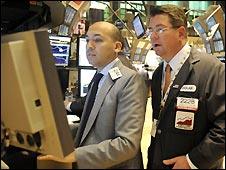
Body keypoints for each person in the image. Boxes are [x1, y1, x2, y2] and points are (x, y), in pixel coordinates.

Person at [38, 21, 147, 169]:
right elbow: (89, 128)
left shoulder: (130, 80)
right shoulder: (99, 76)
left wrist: (76, 156)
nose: (89, 45)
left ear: (117, 47)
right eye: (87, 40)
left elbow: (126, 144)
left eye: (97, 40)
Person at [146, 4, 225, 169]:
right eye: (150, 30)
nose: (152, 36)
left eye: (160, 29)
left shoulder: (211, 69)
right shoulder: (158, 73)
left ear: (181, 33)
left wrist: (192, 161)